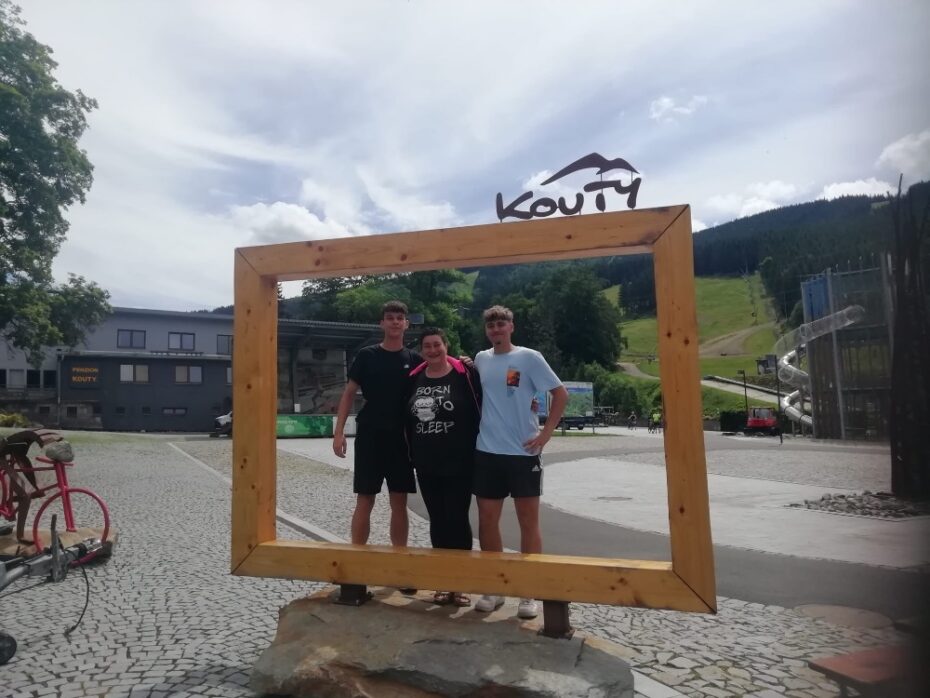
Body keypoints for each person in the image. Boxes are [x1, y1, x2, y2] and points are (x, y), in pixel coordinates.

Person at [471, 305, 568, 619]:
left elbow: (560, 394)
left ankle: (528, 591)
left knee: (529, 522)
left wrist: (546, 433)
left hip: (523, 452)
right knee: (487, 521)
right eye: (491, 326)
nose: (496, 329)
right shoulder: (481, 359)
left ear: (511, 327)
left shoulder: (529, 357)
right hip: (487, 450)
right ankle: (494, 587)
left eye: (501, 324)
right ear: (487, 330)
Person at [333, 301, 421, 552]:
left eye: (399, 318)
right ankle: (357, 558)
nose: (395, 322)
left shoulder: (415, 360)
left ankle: (399, 558)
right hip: (370, 434)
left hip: (401, 438)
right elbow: (349, 393)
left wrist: (466, 363)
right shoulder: (367, 355)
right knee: (365, 499)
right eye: (390, 317)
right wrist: (338, 432)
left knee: (399, 502)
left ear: (406, 324)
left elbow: (440, 373)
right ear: (381, 323)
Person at [404, 327, 482, 607]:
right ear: (422, 351)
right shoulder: (414, 378)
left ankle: (460, 584)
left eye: (437, 344)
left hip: (460, 460)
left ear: (446, 346)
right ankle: (442, 582)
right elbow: (406, 417)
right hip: (426, 462)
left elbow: (486, 402)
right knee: (437, 520)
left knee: (457, 520)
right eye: (427, 346)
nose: (433, 350)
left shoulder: (464, 373)